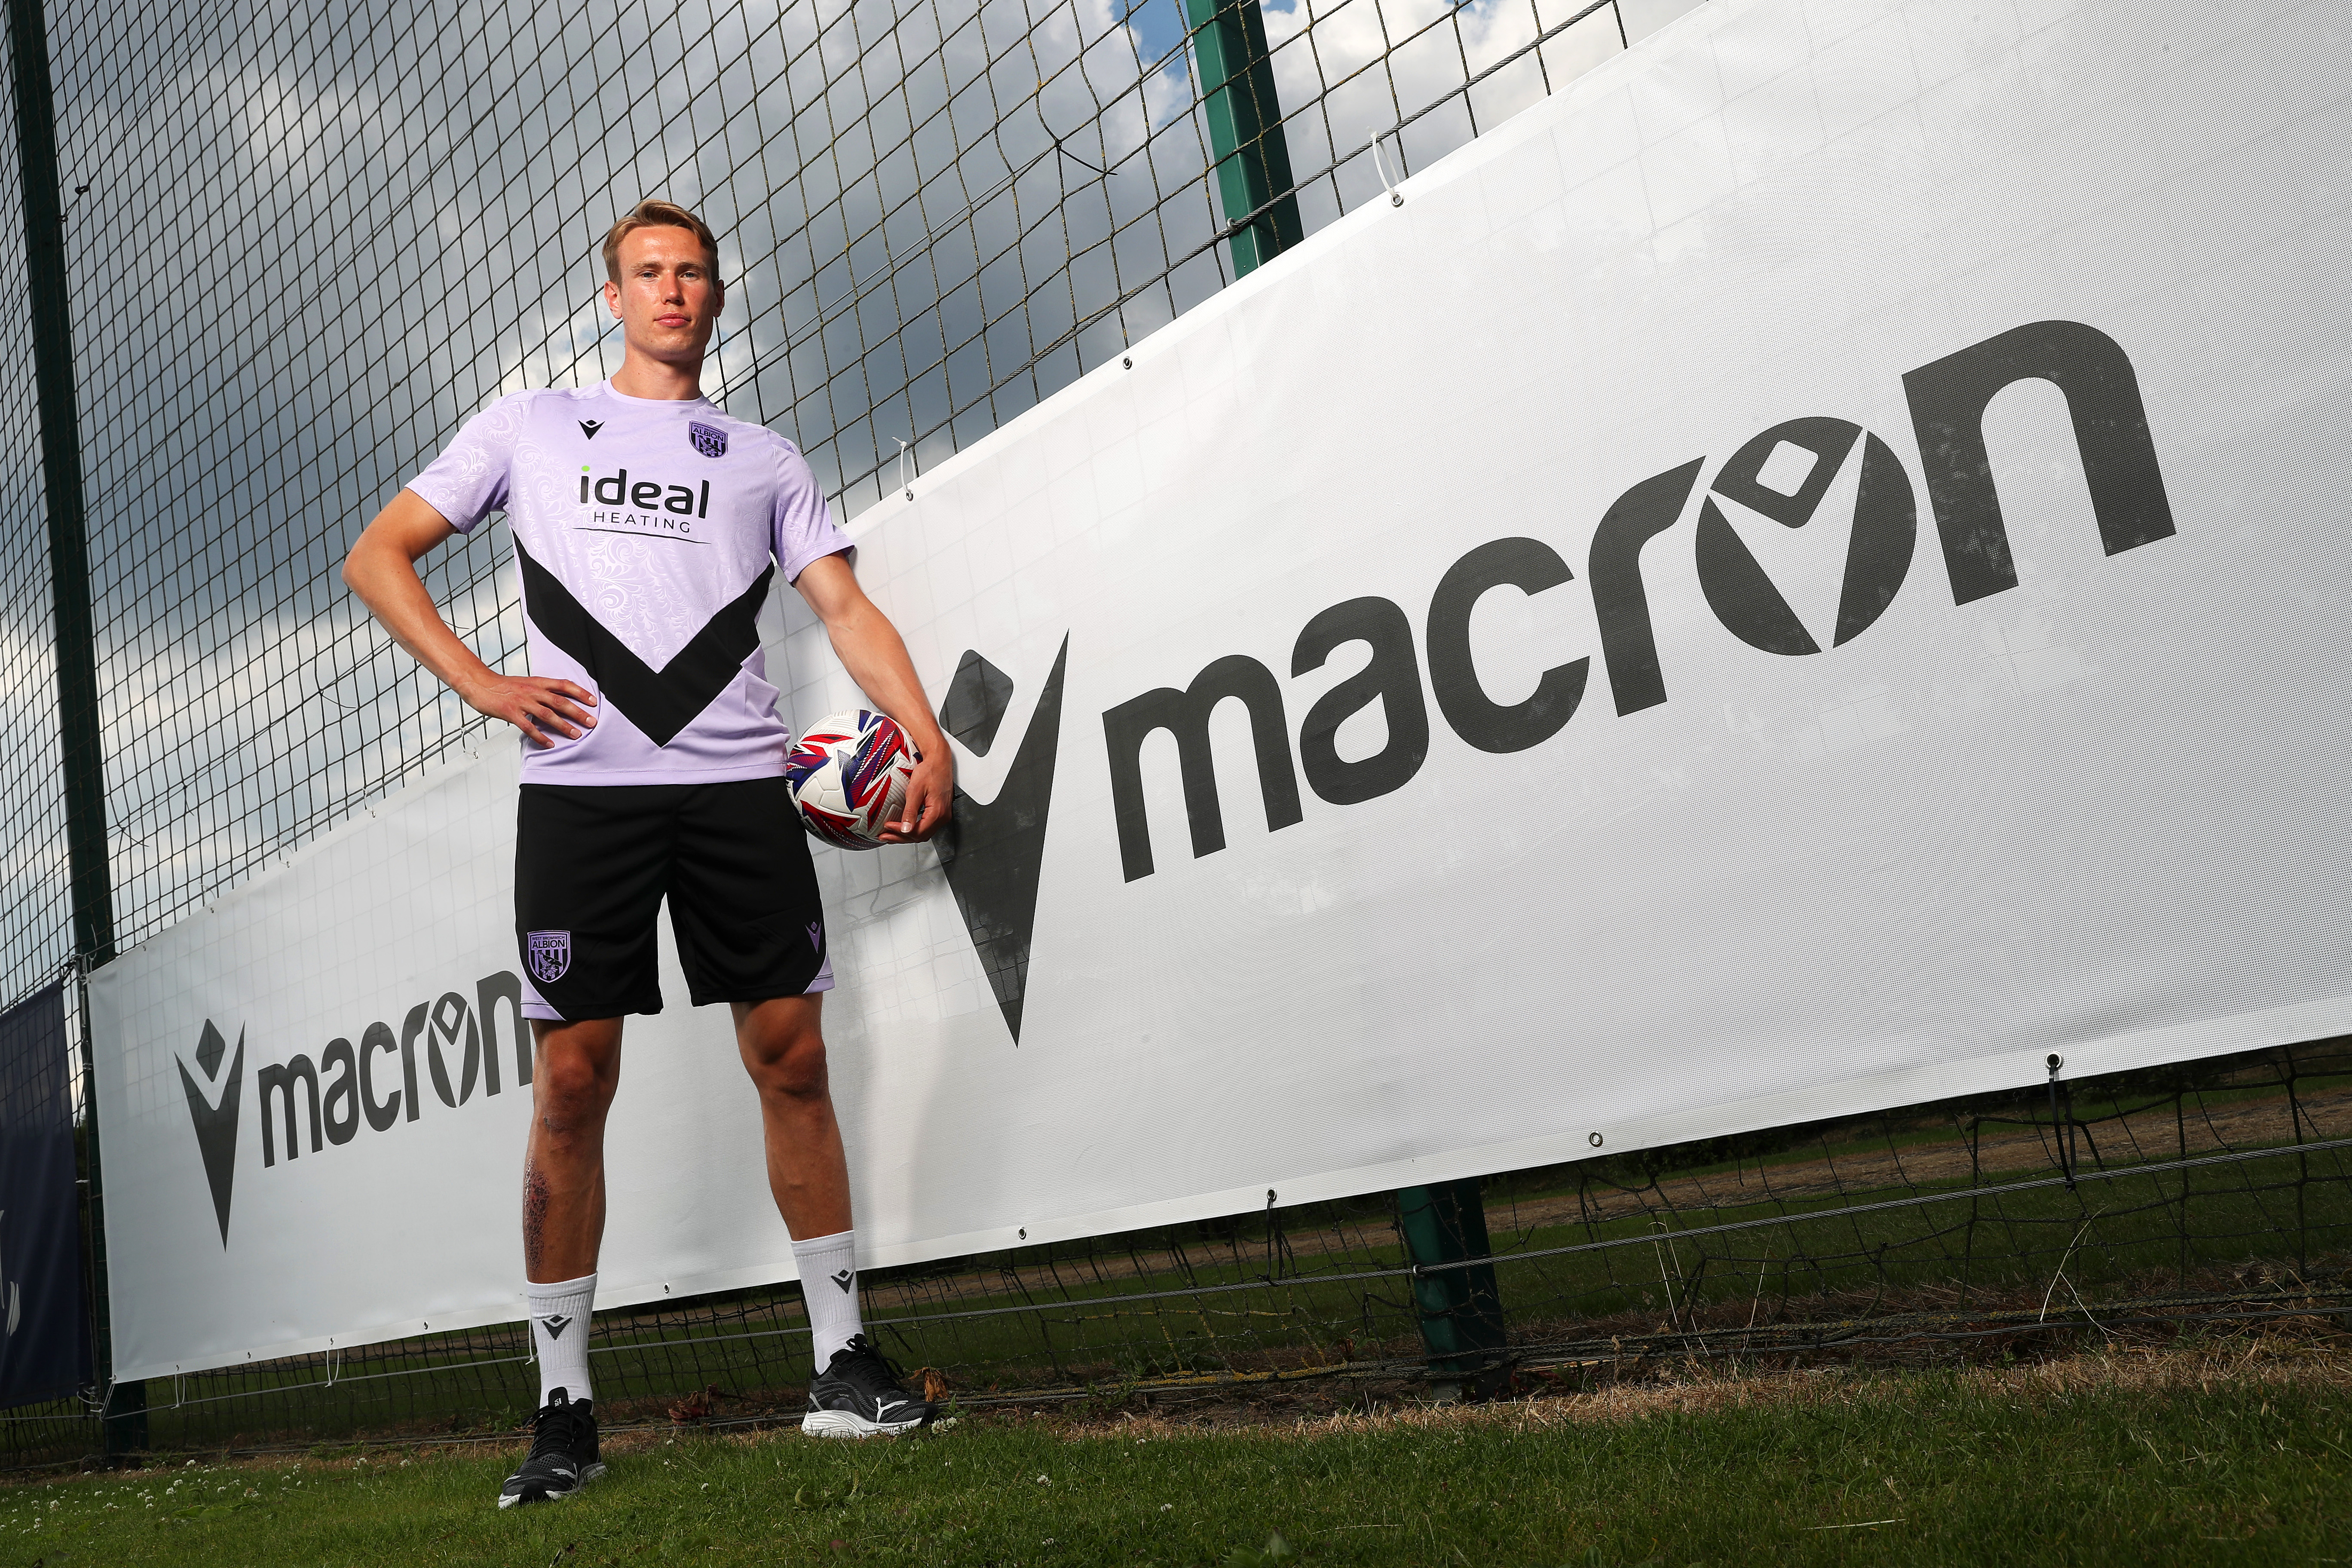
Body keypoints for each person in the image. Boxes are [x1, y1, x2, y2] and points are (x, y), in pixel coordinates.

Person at [343, 199, 952, 1508]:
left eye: (694, 275)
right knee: (574, 1080)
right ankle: (563, 1406)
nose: (674, 291)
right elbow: (378, 554)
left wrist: (926, 735)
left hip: (737, 791)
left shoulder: (766, 459)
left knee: (790, 1058)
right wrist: (481, 683)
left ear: (716, 301)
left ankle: (843, 1367)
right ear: (612, 297)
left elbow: (842, 605)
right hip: (584, 801)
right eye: (650, 273)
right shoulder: (530, 423)